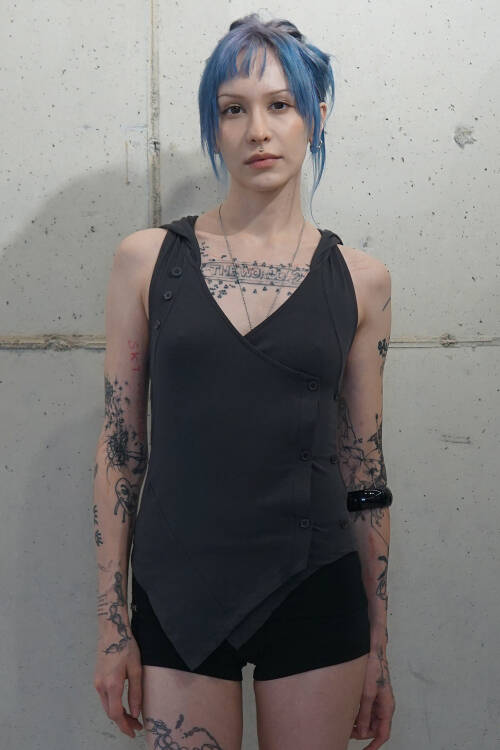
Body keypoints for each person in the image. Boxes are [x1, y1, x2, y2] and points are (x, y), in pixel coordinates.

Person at [93, 13, 395, 750]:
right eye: (233, 109)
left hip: (316, 584)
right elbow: (121, 451)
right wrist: (111, 623)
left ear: (316, 115)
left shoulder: (362, 280)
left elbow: (365, 470)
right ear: (214, 124)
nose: (258, 130)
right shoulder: (147, 261)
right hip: (179, 586)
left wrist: (380, 643)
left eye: (280, 105)